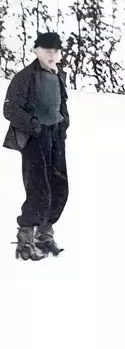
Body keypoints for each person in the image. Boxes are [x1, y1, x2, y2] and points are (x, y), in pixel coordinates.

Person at [3, 31, 70, 262]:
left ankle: (44, 235)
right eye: (47, 50)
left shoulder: (57, 76)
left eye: (56, 51)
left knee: (59, 186)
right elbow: (10, 109)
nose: (52, 55)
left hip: (55, 136)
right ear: (37, 51)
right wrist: (33, 125)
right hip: (35, 138)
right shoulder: (25, 77)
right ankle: (25, 241)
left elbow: (62, 105)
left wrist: (64, 124)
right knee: (38, 188)